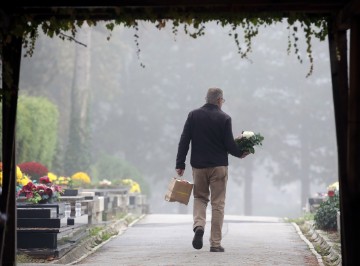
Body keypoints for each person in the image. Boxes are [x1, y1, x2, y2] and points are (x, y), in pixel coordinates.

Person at [175, 87, 249, 252]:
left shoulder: (193, 115)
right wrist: (240, 153)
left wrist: (180, 163)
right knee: (218, 204)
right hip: (219, 167)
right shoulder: (224, 118)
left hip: (199, 167)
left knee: (200, 198)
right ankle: (215, 244)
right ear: (219, 100)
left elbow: (184, 140)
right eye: (223, 100)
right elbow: (229, 144)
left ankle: (199, 226)